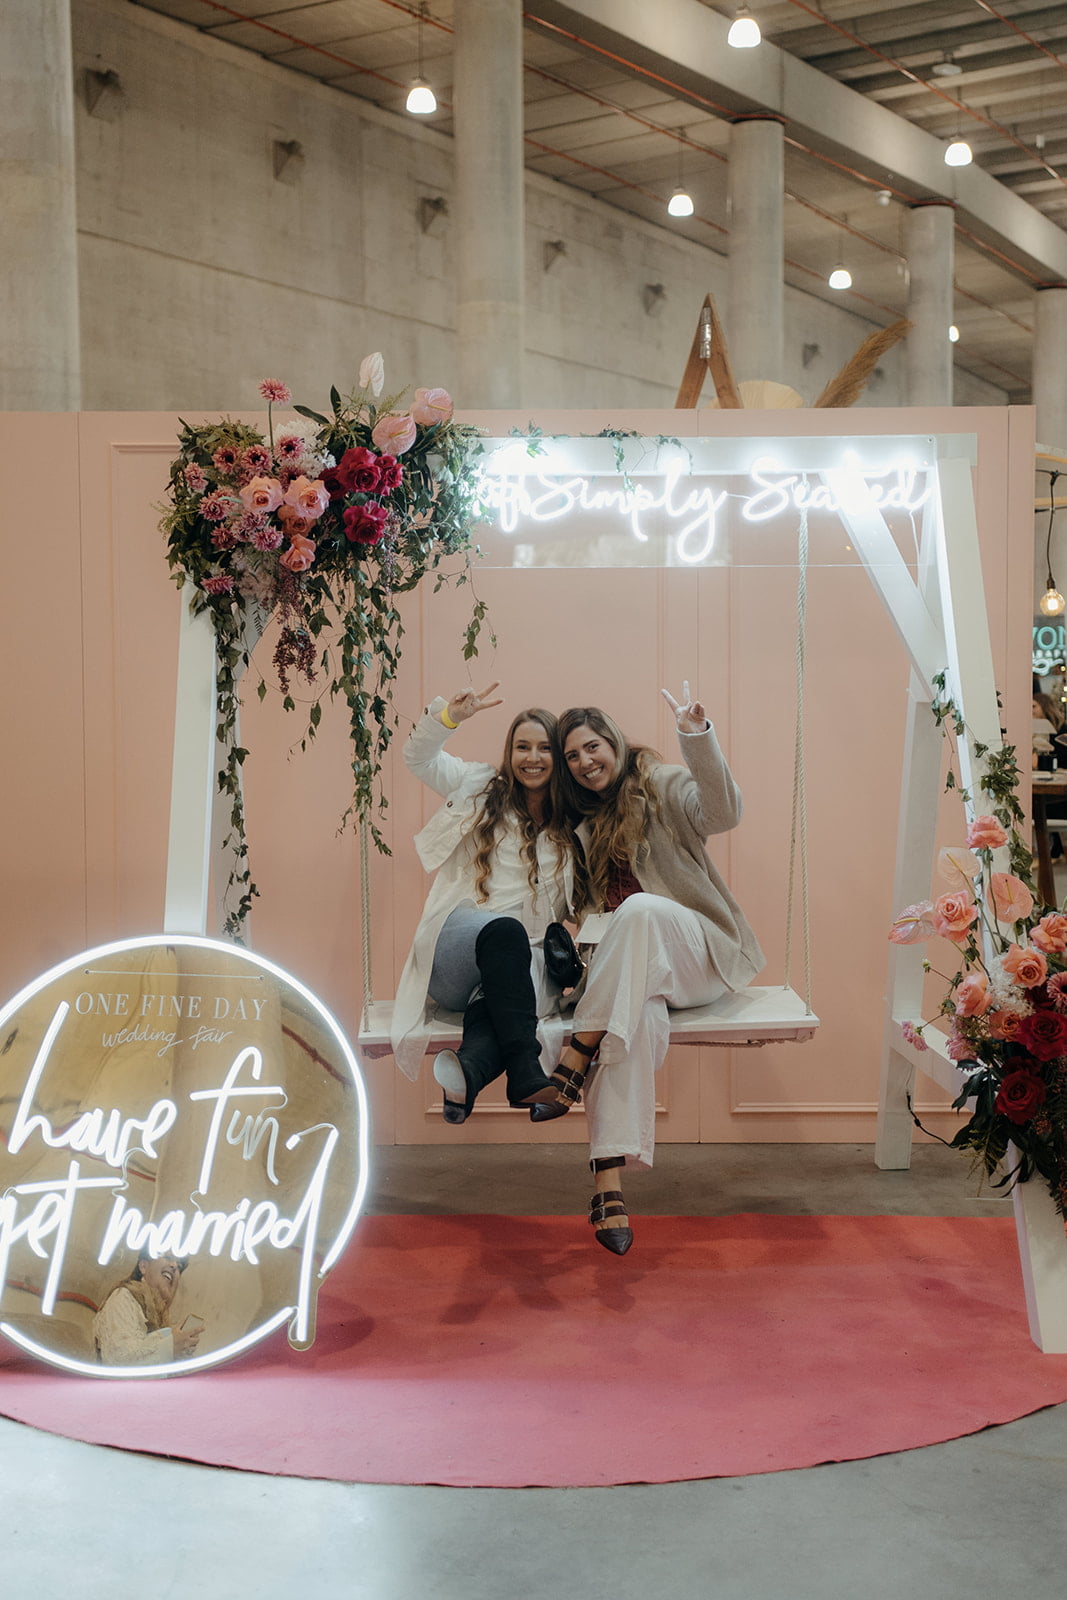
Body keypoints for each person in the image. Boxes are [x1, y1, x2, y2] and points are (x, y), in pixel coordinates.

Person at [532, 685, 765, 1255]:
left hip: (697, 957)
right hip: (635, 974)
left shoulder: (660, 785)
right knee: (632, 1024)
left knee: (637, 910)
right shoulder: (579, 826)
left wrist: (696, 737)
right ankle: (608, 1188)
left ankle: (575, 1055)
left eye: (592, 747)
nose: (585, 762)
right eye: (572, 755)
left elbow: (724, 812)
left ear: (613, 742)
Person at [390, 684, 576, 1120]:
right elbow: (419, 758)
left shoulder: (573, 824)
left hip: (518, 967)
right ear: (509, 752)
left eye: (545, 748)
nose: (532, 758)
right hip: (455, 950)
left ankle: (469, 1074)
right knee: (505, 932)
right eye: (523, 747)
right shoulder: (477, 785)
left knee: (502, 990)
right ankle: (525, 1066)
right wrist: (449, 718)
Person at [93, 1254, 203, 1365]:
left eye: (179, 1266)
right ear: (143, 1266)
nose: (174, 1265)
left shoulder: (165, 1322)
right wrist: (170, 1347)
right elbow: (118, 1360)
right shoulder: (123, 1296)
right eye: (167, 1257)